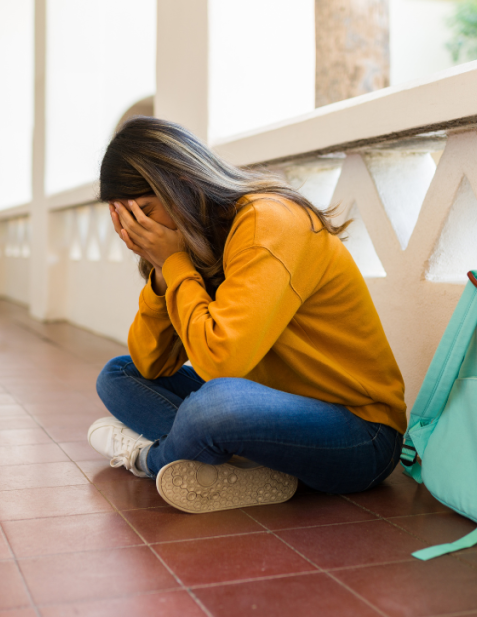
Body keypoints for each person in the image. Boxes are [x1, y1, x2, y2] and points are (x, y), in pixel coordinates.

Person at [87, 117, 406, 514]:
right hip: (267, 407)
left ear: (181, 184)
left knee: (216, 404)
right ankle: (241, 462)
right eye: (127, 221)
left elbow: (222, 362)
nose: (138, 231)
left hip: (360, 435)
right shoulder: (196, 241)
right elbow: (152, 364)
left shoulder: (267, 221)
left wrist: (175, 263)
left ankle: (150, 459)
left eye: (145, 212)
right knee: (119, 375)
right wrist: (161, 274)